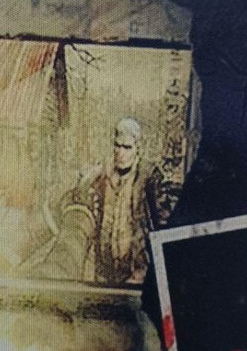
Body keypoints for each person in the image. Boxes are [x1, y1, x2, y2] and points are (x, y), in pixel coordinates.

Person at [28, 117, 167, 285]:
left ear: (137, 148)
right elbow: (76, 197)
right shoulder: (100, 175)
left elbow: (162, 224)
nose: (120, 153)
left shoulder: (149, 177)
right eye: (117, 145)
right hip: (105, 272)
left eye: (127, 147)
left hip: (137, 272)